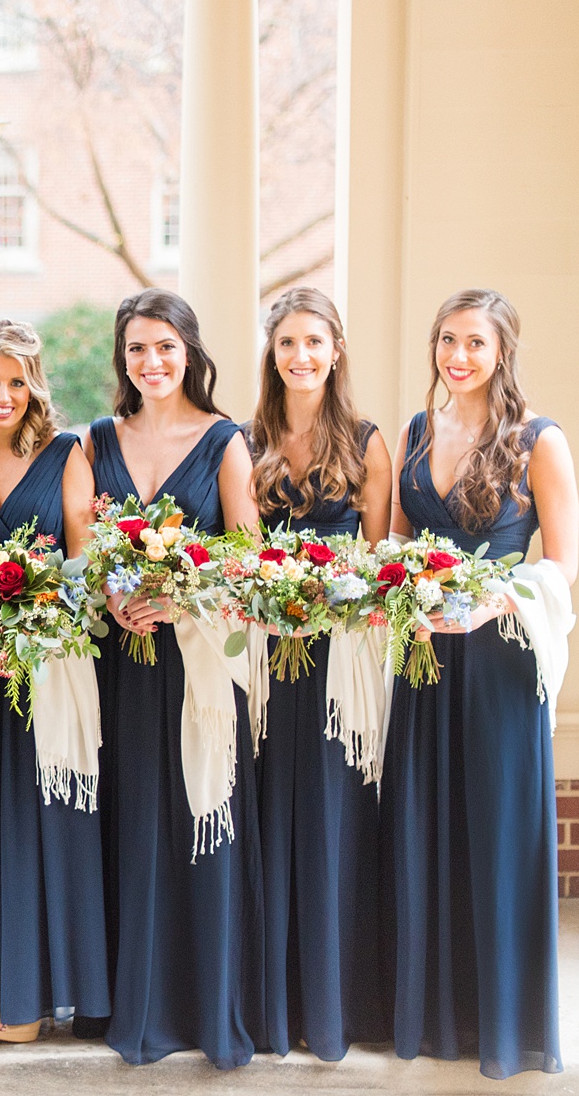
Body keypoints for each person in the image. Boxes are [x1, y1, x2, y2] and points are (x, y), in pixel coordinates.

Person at [383, 289, 578, 1079]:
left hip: (498, 661)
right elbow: (397, 536)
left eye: (474, 342)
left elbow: (562, 564)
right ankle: (434, 1013)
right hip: (425, 658)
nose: (457, 356)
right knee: (425, 825)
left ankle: (503, 1018)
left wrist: (487, 602)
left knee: (496, 834)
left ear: (503, 351)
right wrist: (405, 587)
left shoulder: (539, 440)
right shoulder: (415, 432)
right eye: (446, 340)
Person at [84, 289, 263, 1068]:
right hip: (122, 665)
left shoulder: (225, 442)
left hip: (198, 665)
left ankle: (202, 999)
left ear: (189, 350)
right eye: (135, 350)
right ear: (121, 360)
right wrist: (113, 593)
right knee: (131, 820)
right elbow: (79, 546)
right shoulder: (95, 440)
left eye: (164, 346)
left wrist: (188, 588)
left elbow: (249, 555)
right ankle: (135, 999)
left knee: (202, 815)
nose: (150, 362)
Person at [0, 319, 108, 1044]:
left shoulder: (66, 455)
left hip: (48, 670)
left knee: (42, 820)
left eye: (17, 380)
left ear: (34, 386)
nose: (3, 395)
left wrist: (32, 636)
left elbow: (84, 565)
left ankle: (34, 998)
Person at [242, 287, 392, 1060]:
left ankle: (329, 1003)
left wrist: (334, 602)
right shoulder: (244, 440)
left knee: (332, 824)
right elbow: (233, 554)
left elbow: (378, 561)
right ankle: (271, 1005)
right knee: (268, 819)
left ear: (336, 350)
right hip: (267, 657)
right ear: (271, 354)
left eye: (315, 342)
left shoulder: (367, 443)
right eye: (287, 343)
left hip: (338, 662)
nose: (301, 356)